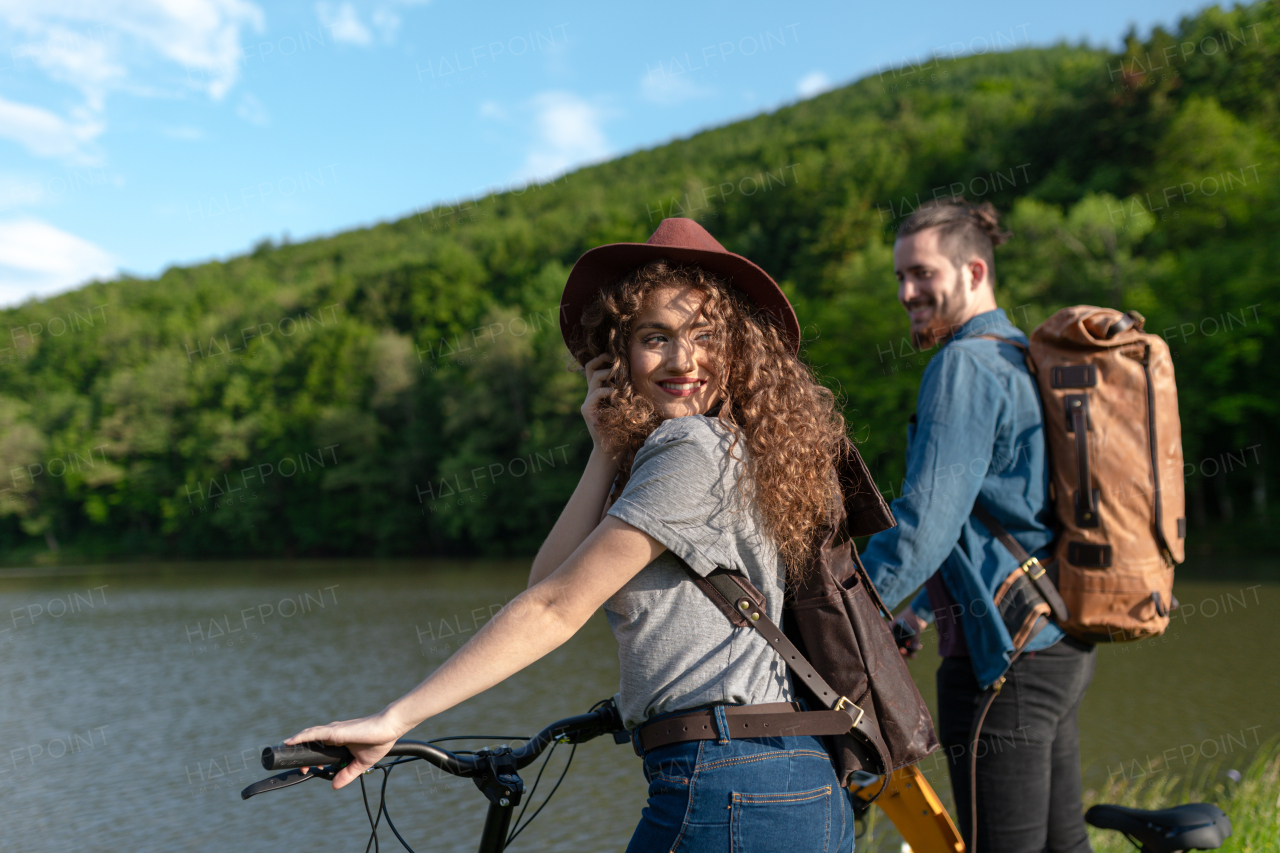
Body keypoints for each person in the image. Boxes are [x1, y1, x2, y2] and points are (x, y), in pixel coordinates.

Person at [285, 217, 862, 852]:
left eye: (704, 335)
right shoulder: (734, 448)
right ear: (617, 357)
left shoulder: (693, 448)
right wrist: (605, 449)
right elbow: (551, 581)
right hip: (793, 784)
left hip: (725, 786)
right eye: (655, 338)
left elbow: (555, 609)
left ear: (739, 347)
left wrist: (394, 718)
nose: (681, 359)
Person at [861, 198, 1095, 853]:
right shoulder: (1021, 355)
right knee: (1061, 844)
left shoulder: (963, 366)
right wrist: (917, 617)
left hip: (1000, 661)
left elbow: (923, 526)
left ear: (972, 270)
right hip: (1055, 635)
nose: (907, 292)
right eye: (900, 277)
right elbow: (989, 515)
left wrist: (837, 608)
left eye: (923, 274)